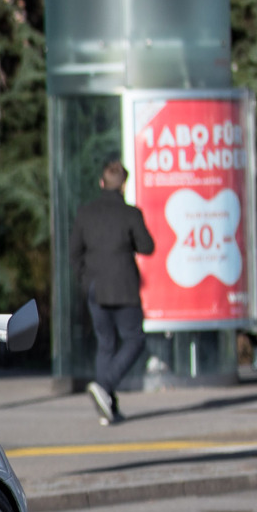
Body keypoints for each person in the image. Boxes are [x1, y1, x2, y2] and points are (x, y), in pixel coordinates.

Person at [70, 158, 156, 425]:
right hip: (123, 288)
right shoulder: (131, 214)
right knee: (134, 340)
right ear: (123, 186)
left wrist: (85, 281)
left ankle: (108, 408)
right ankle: (105, 386)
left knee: (105, 344)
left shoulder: (85, 213)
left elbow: (74, 254)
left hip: (95, 287)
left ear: (101, 183)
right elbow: (147, 246)